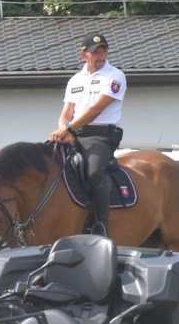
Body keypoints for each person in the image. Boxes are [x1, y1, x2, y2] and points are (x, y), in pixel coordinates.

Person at [49, 33, 127, 236]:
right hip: (73, 132)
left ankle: (101, 224)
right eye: (96, 52)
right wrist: (63, 130)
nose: (101, 56)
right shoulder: (75, 80)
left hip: (101, 135)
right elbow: (66, 112)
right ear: (84, 54)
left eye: (103, 51)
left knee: (93, 172)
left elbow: (96, 110)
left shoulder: (115, 76)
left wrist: (68, 129)